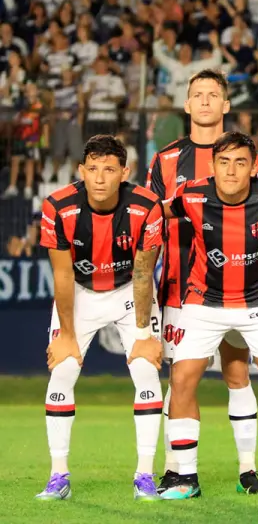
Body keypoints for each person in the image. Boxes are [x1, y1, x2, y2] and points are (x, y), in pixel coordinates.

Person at [159, 131, 258, 500]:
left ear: (254, 167)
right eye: (224, 162)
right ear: (212, 166)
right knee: (183, 377)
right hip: (204, 302)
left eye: (241, 162)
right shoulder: (190, 195)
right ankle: (185, 478)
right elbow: (153, 212)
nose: (232, 170)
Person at [147, 70, 258, 496]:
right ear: (186, 103)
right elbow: (151, 223)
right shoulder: (165, 159)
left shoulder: (250, 155)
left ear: (227, 105)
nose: (205, 101)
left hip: (240, 287)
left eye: (213, 94)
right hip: (182, 288)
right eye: (197, 94)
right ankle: (178, 470)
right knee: (182, 379)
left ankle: (248, 470)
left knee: (238, 374)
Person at [37, 134, 165, 501]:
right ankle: (58, 476)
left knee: (145, 368)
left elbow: (143, 273)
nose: (99, 177)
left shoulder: (146, 205)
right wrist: (65, 333)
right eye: (92, 169)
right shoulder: (58, 206)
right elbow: (62, 275)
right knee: (62, 369)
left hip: (129, 291)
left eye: (109, 169)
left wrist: (143, 333)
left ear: (125, 172)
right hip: (80, 292)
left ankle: (145, 475)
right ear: (81, 170)